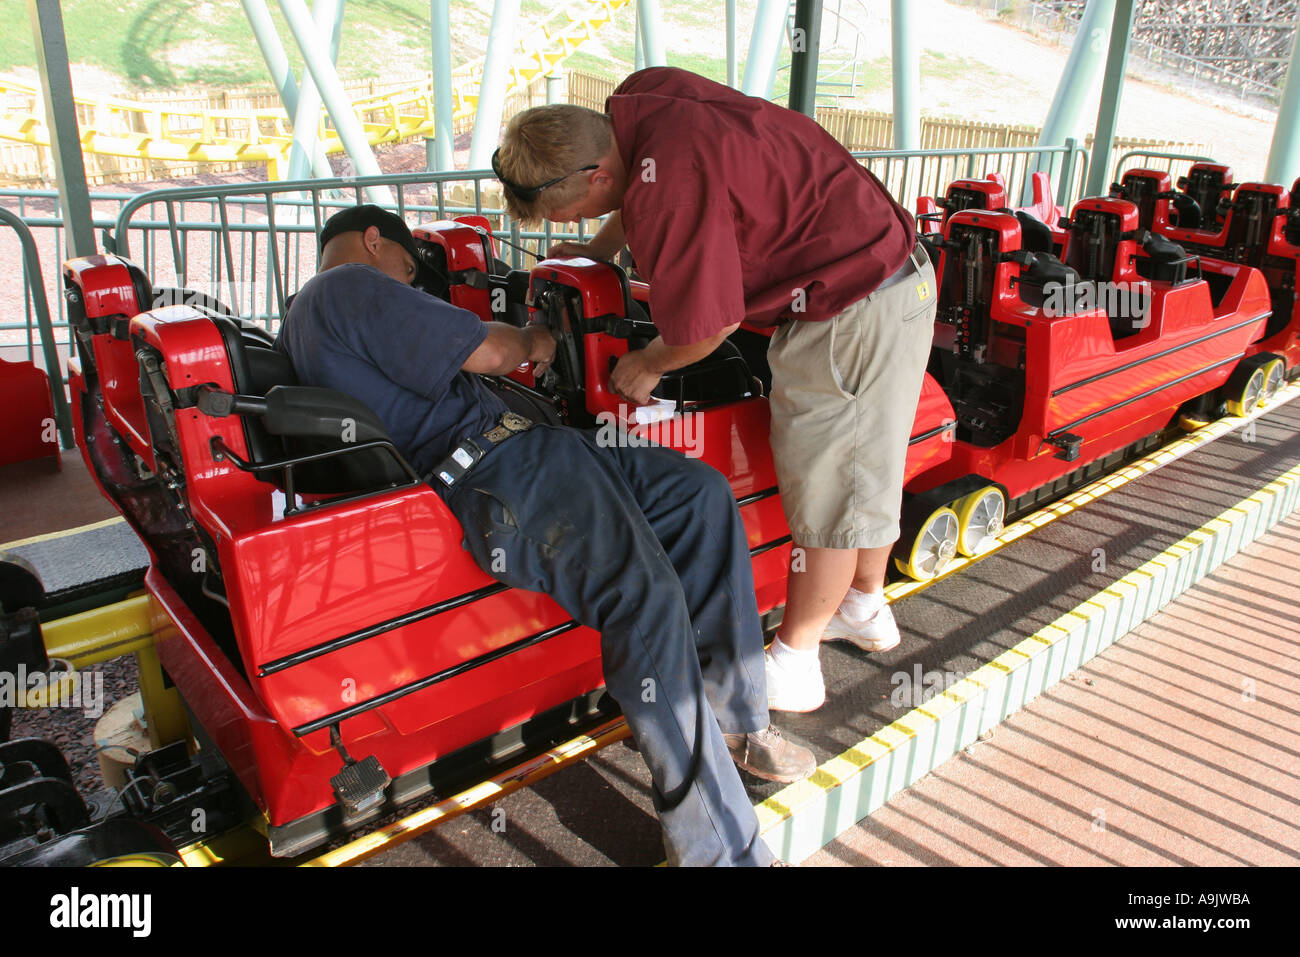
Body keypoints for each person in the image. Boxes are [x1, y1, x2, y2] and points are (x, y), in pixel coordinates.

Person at [274, 204, 815, 866]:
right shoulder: (346, 286)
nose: (409, 284)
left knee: (699, 495)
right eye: (408, 269)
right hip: (502, 468)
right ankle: (718, 847)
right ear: (372, 240)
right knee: (644, 599)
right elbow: (489, 349)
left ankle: (731, 722)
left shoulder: (299, 322)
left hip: (533, 449)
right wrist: (535, 339)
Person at [493, 67, 938, 715]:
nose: (581, 217)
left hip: (850, 306)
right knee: (867, 464)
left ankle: (797, 661)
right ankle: (865, 605)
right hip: (890, 273)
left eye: (574, 211)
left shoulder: (665, 191)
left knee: (831, 482)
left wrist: (648, 362)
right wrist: (598, 250)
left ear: (596, 177)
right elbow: (641, 186)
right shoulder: (640, 100)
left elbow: (710, 324)